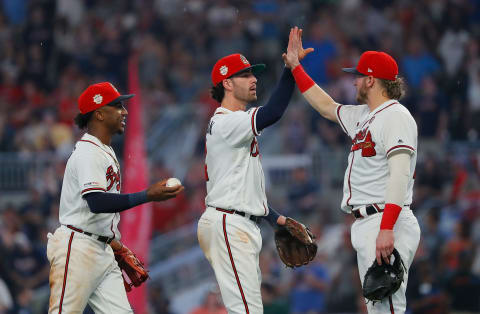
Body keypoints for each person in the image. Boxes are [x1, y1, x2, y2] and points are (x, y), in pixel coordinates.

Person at [283, 28, 421, 313]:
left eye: (358, 76)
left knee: (388, 308)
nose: (354, 81)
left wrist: (386, 228)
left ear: (371, 80)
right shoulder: (364, 116)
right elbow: (326, 107)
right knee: (378, 308)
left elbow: (400, 175)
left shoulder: (396, 116)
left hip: (386, 218)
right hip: (368, 222)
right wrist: (296, 68)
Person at [197, 28, 313, 313]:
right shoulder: (226, 123)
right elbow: (273, 112)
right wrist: (291, 69)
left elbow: (242, 189)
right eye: (245, 75)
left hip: (236, 219)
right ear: (226, 83)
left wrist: (275, 219)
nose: (254, 79)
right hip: (229, 222)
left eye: (253, 73)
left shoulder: (233, 125)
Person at [46, 82, 184, 313]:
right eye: (117, 106)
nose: (125, 111)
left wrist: (111, 238)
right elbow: (97, 202)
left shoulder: (104, 150)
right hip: (78, 247)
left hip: (101, 248)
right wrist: (147, 195)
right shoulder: (88, 152)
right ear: (99, 114)